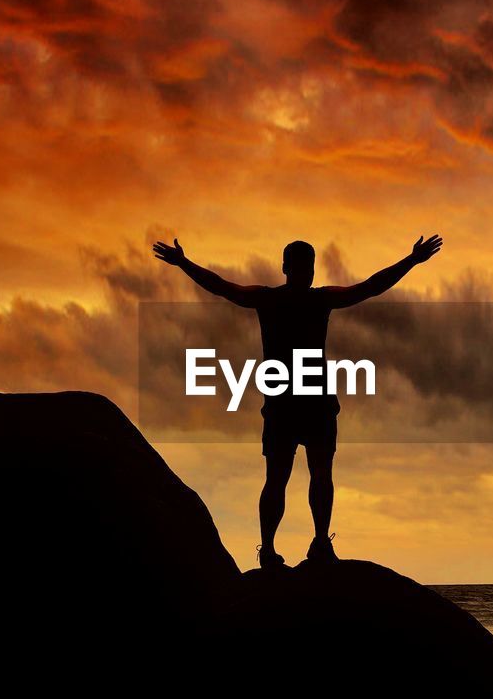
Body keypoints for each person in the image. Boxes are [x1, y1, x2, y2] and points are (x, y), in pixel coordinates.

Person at [152, 233, 443, 568]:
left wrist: (411, 260)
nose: (308, 272)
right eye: (305, 266)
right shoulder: (293, 300)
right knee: (293, 476)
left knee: (303, 475)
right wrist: (184, 263)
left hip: (299, 402)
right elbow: (222, 286)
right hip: (296, 402)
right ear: (288, 268)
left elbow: (369, 288)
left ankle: (305, 544)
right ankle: (284, 547)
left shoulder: (283, 299)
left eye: (310, 266)